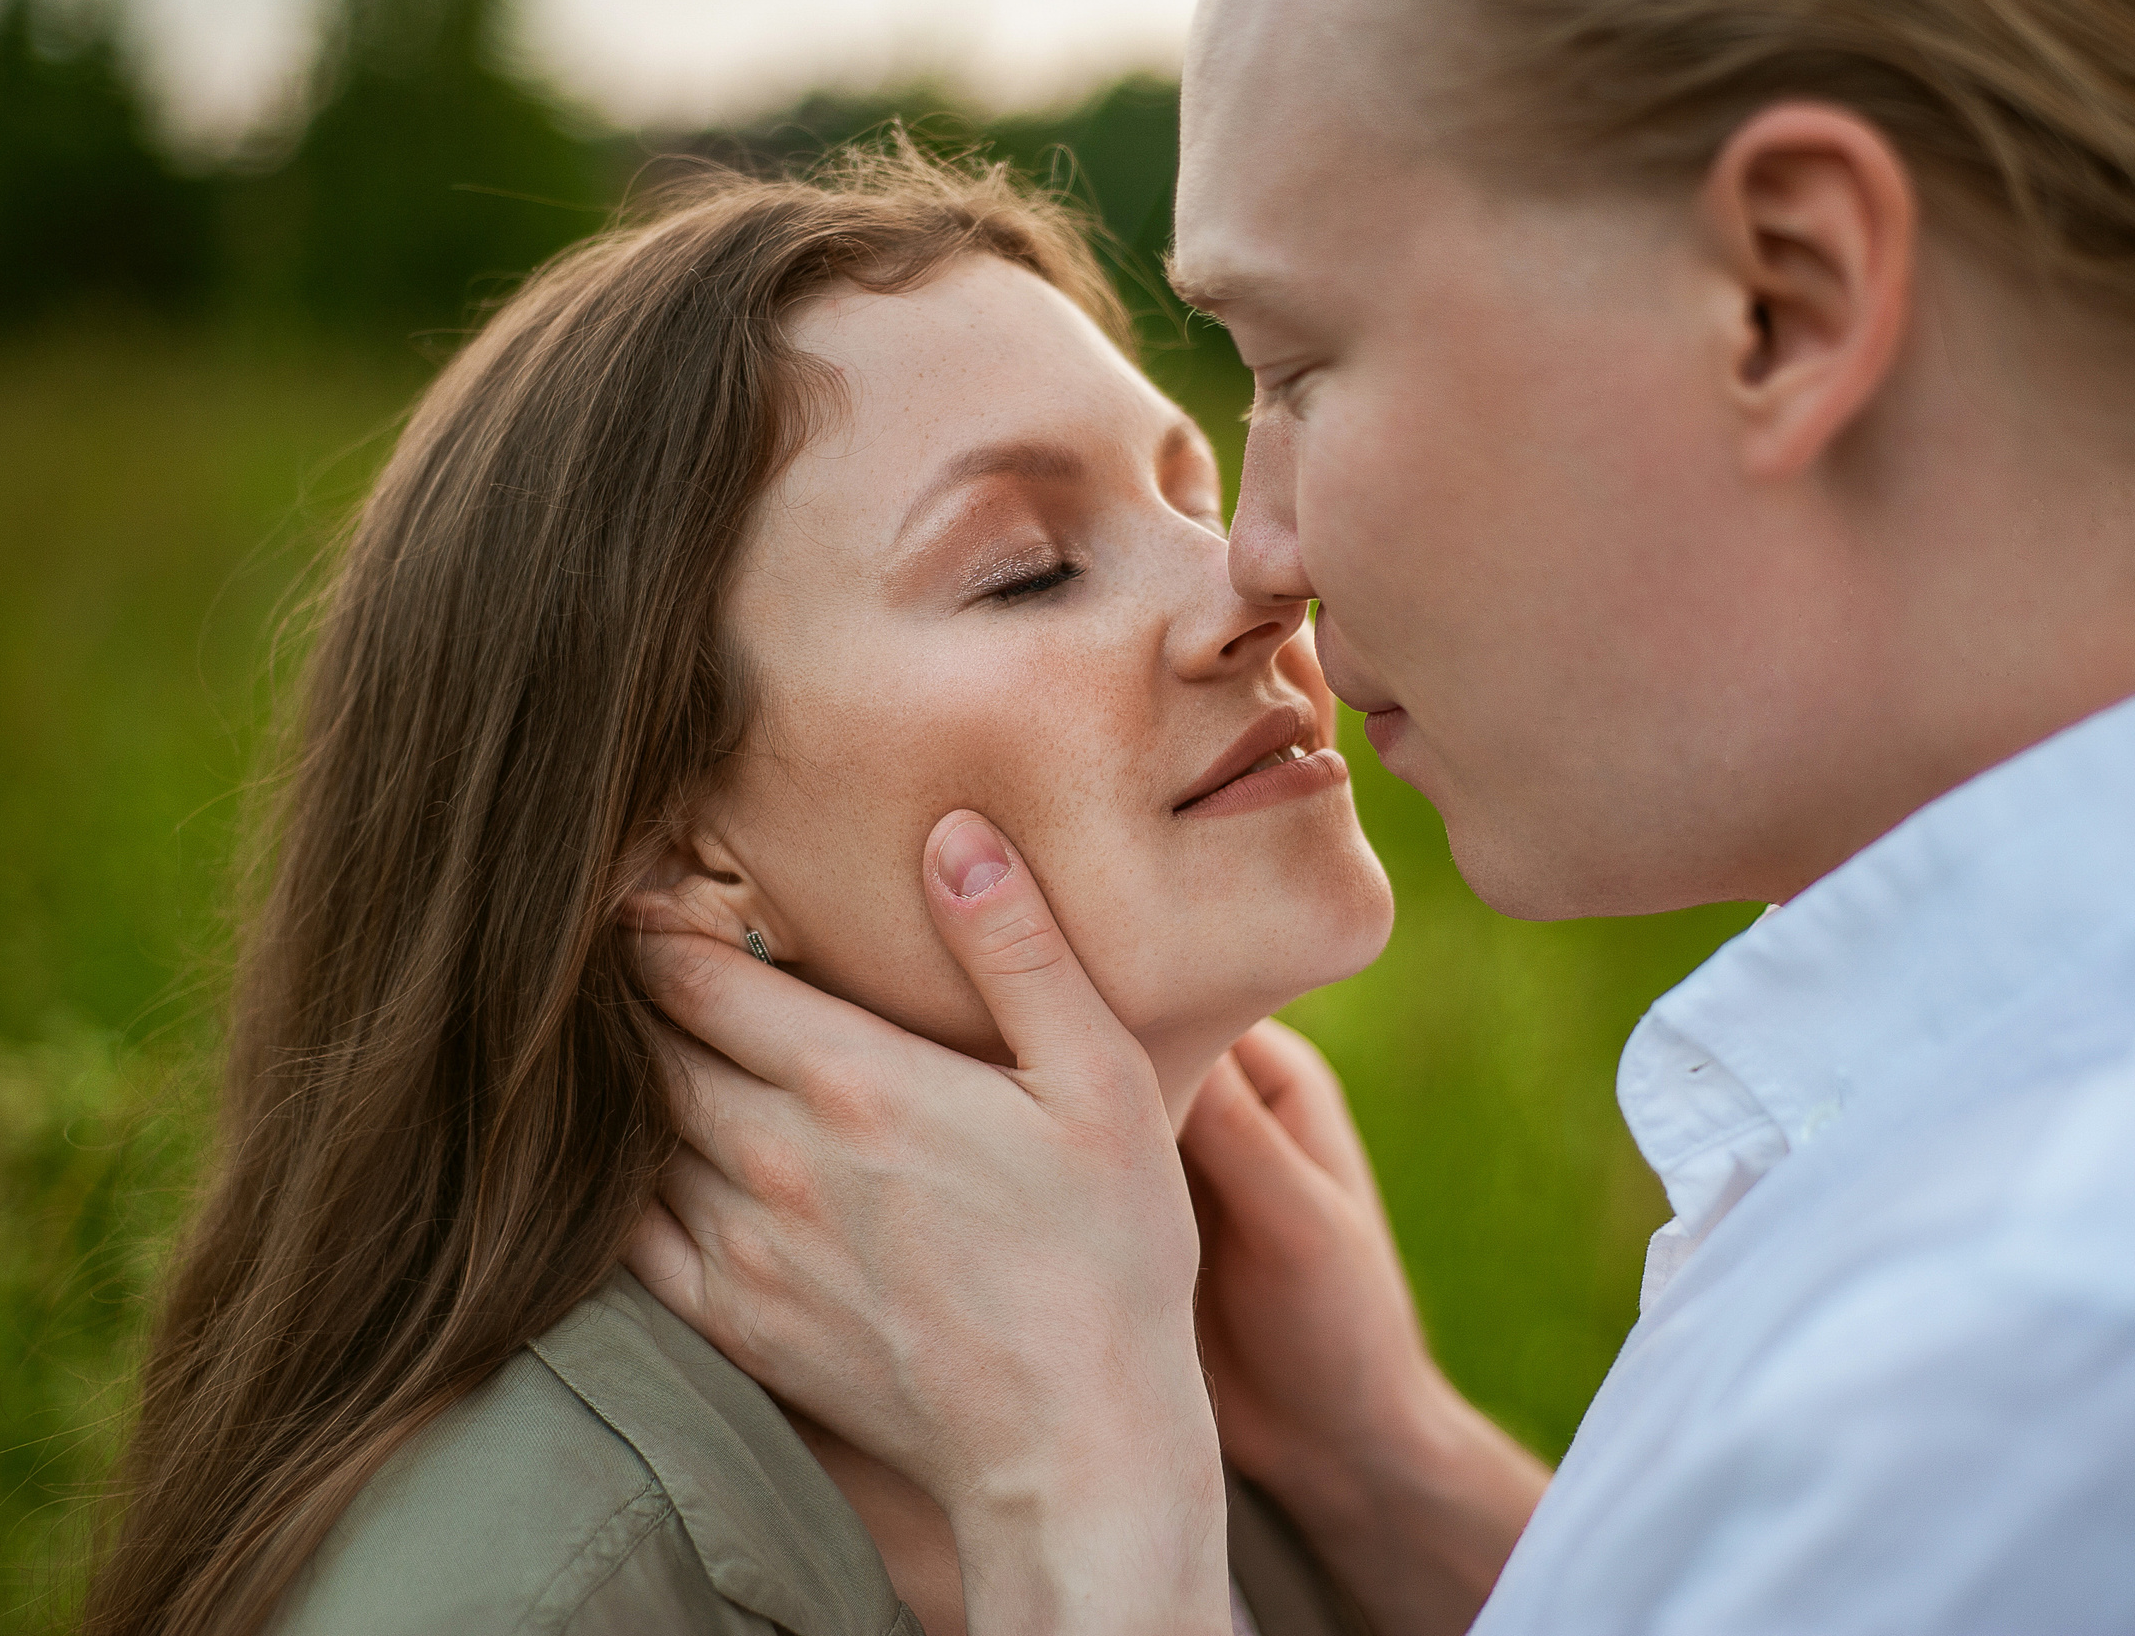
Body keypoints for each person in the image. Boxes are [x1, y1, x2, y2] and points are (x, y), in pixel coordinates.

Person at [625, 0, 2135, 1631]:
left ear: (1786, 298)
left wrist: (1082, 1496)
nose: (1259, 556)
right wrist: (1386, 1466)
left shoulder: (2087, 1368)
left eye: (1300, 364)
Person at [80, 152, 1407, 1636]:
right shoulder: (530, 1594)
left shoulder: (1252, 1415)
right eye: (1029, 569)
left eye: (1197, 495)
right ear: (675, 848)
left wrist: (1380, 1461)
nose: (1255, 587)